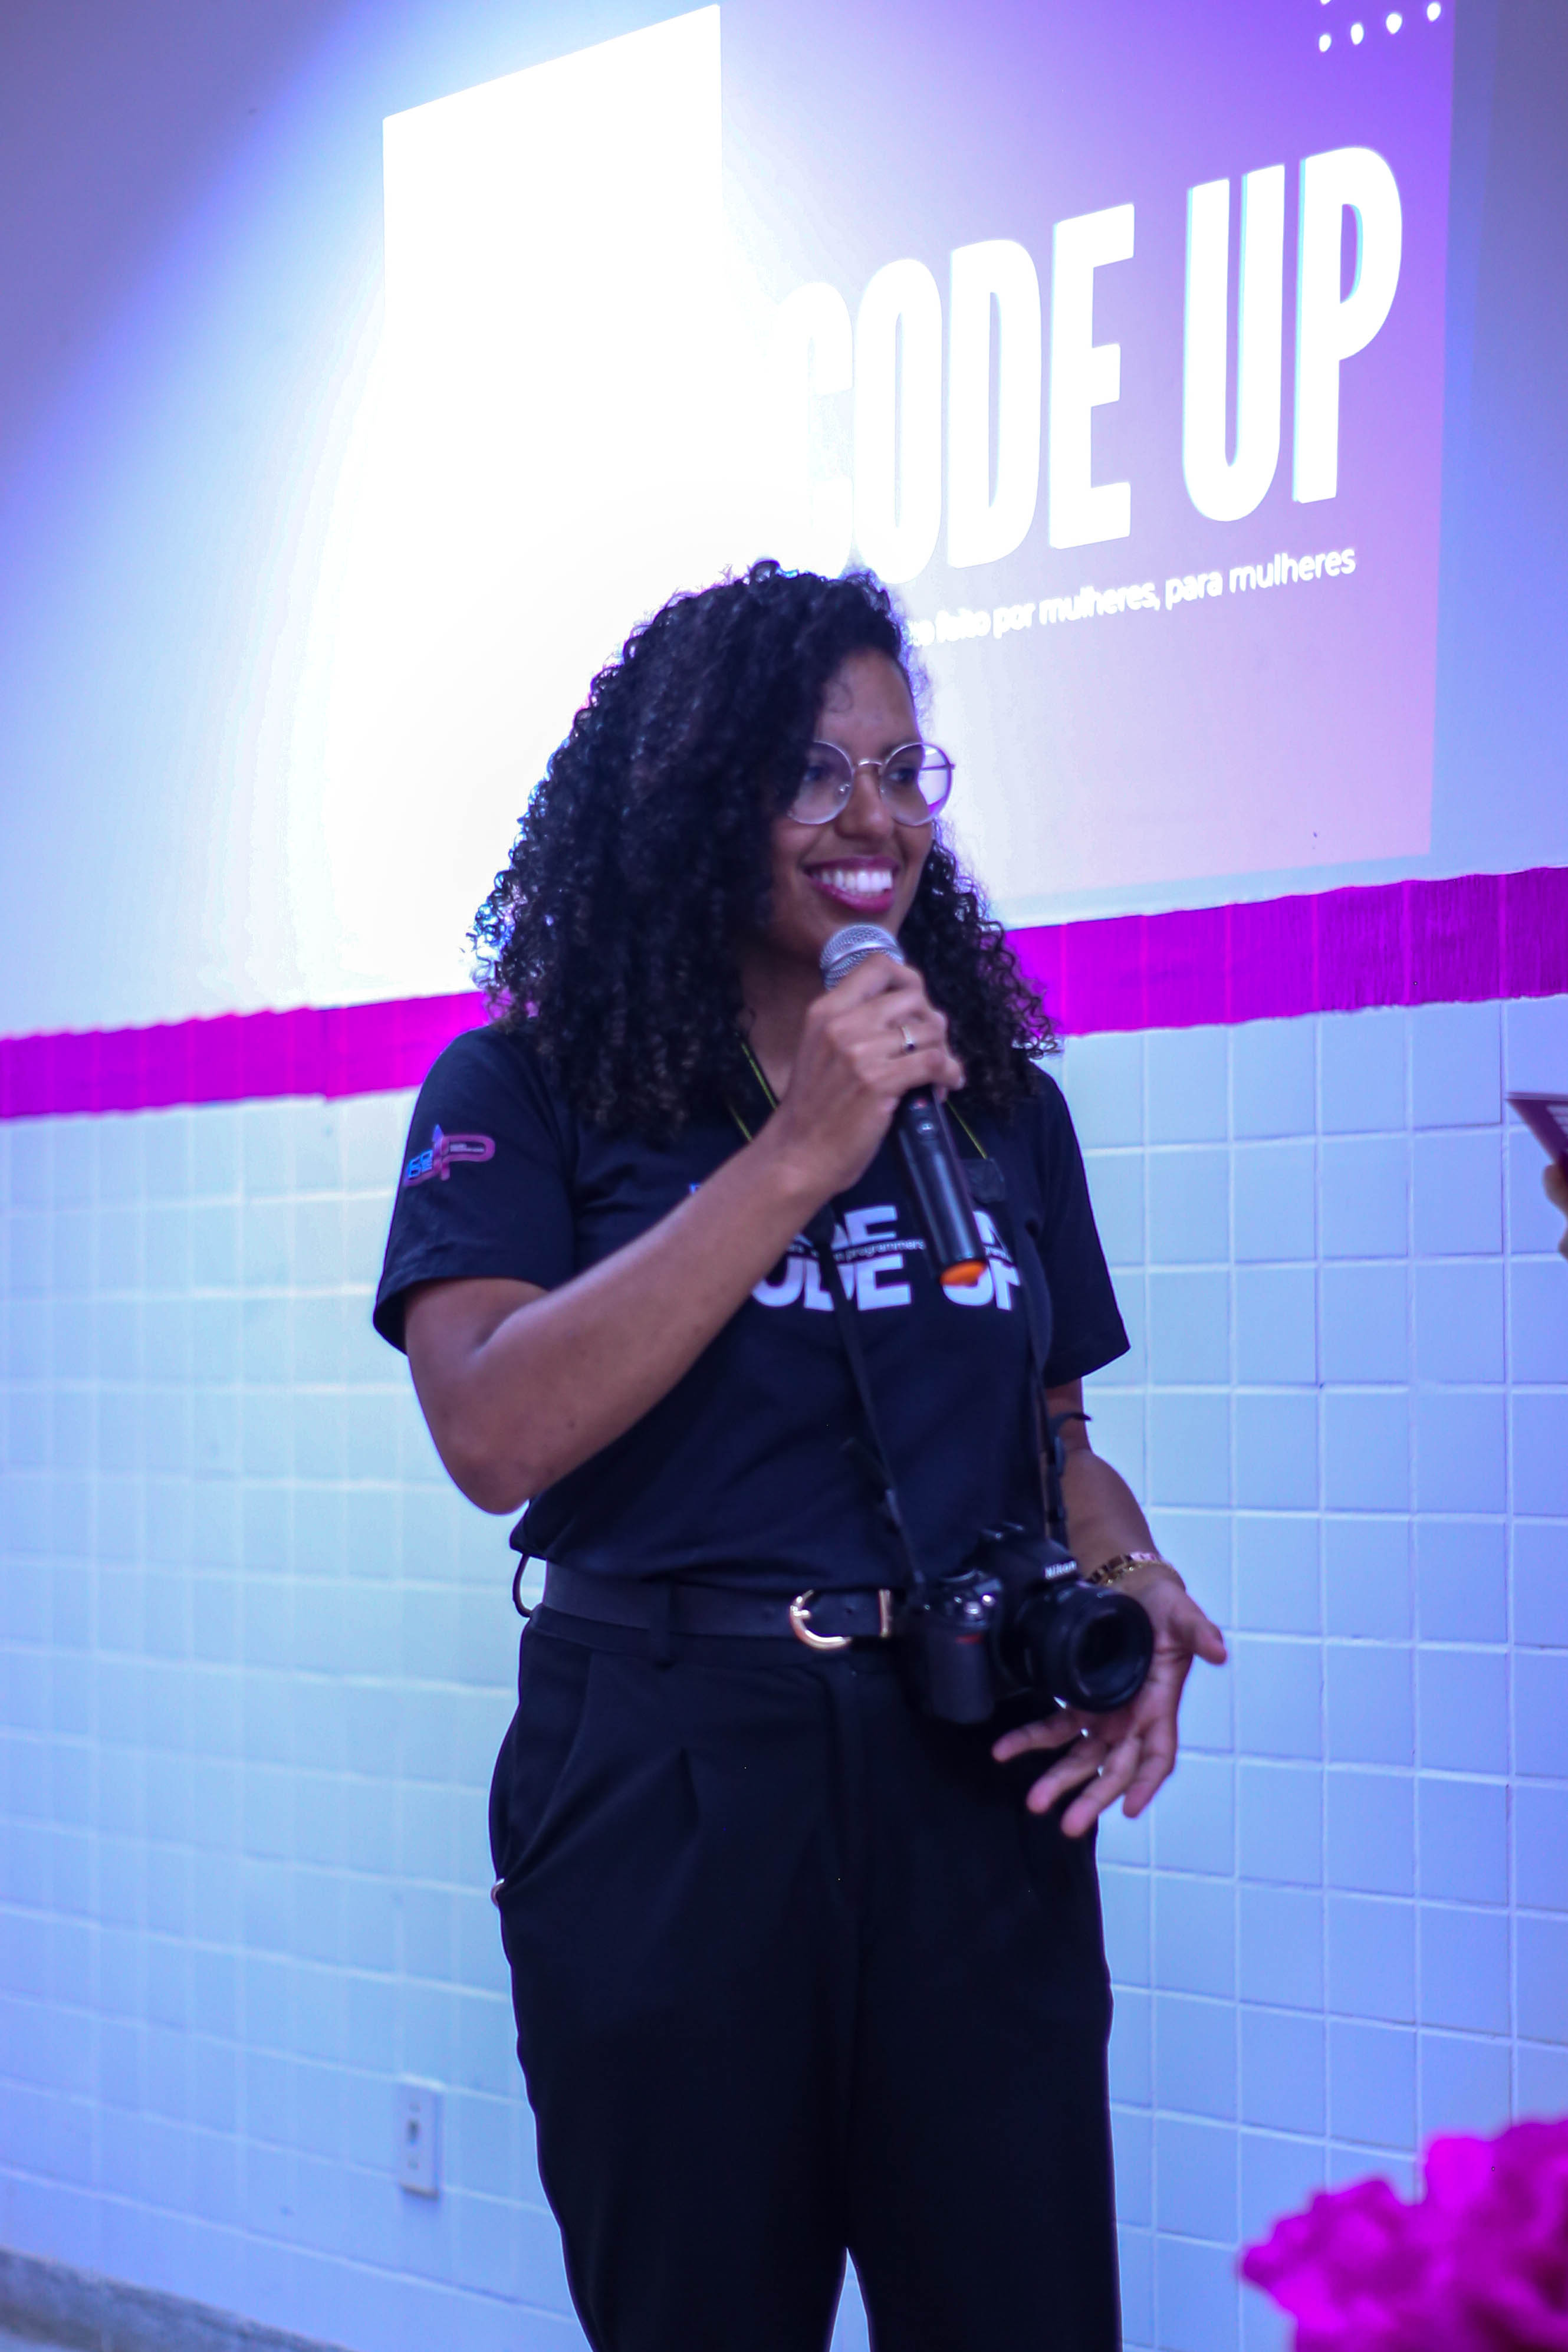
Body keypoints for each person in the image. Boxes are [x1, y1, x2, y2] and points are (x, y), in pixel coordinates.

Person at [373, 561, 1226, 2352]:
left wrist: (1127, 1579)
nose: (873, 818)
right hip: (670, 1770)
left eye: (905, 771)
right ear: (693, 796)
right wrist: (796, 1157)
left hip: (968, 1770)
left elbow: (1058, 1440)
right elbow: (492, 1432)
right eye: (814, 772)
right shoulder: (521, 1090)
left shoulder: (995, 1106)